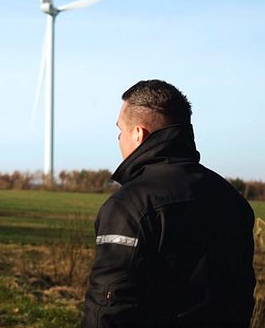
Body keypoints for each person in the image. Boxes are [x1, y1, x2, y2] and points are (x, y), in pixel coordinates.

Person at [82, 79, 256, 327]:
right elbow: (242, 295)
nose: (119, 138)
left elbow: (108, 307)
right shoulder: (233, 200)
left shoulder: (130, 205)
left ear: (139, 134)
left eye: (120, 130)